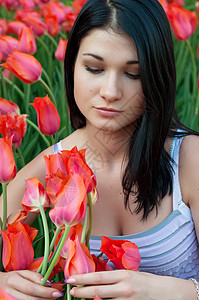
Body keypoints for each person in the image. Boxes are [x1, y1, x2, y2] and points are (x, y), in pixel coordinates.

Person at [0, 0, 199, 298]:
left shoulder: (188, 159)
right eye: (94, 68)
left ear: (157, 76)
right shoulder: (51, 169)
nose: (110, 92)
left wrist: (180, 291)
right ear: (72, 67)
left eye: (134, 74)